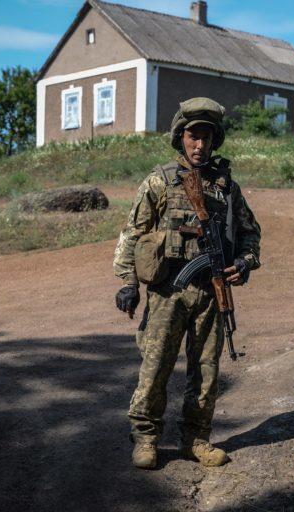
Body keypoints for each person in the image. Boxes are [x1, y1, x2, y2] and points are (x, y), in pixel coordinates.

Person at [112, 97, 261, 469]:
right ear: (181, 138)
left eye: (206, 138)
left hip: (211, 292)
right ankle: (146, 438)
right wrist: (129, 281)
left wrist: (244, 263)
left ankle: (196, 439)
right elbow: (133, 234)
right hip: (167, 292)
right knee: (156, 365)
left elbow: (250, 233)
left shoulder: (227, 187)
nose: (199, 145)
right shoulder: (159, 181)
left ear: (214, 142)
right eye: (193, 136)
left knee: (207, 370)